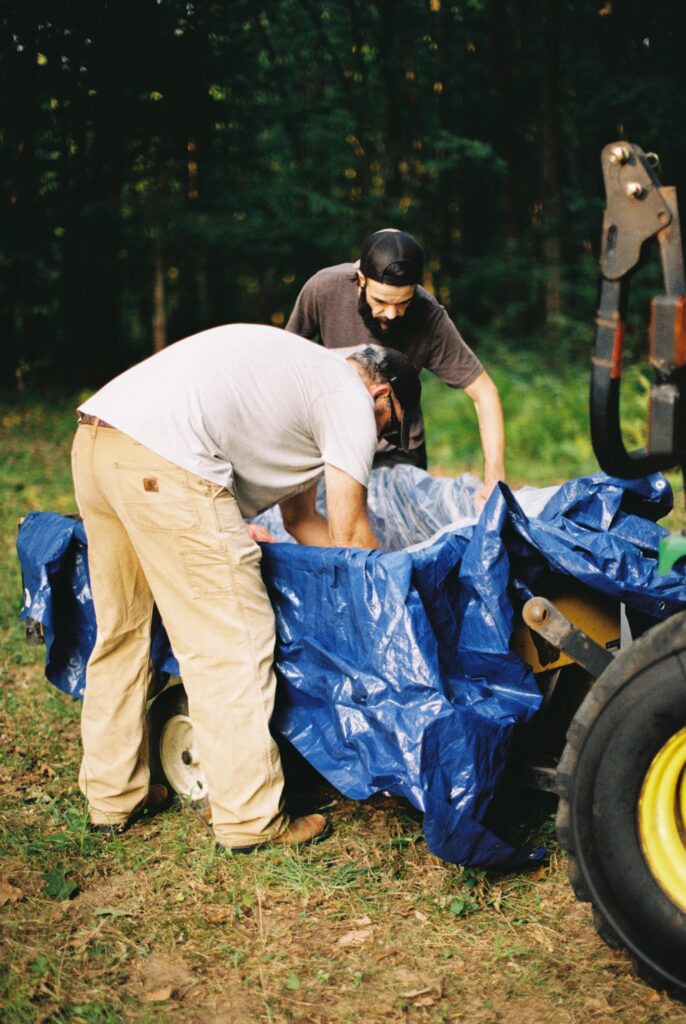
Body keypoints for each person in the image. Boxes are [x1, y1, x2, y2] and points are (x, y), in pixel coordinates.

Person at [71, 324, 420, 853]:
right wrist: (399, 599)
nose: (379, 441)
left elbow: (304, 521)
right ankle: (251, 820)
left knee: (124, 629)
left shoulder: (305, 381)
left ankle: (114, 797)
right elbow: (352, 534)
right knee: (230, 644)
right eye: (387, 428)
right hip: (166, 462)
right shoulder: (349, 396)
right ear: (380, 393)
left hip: (99, 440)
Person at [285, 228, 505, 508]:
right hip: (335, 443)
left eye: (403, 303)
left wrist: (494, 480)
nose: (391, 313)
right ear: (361, 279)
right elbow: (287, 362)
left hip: (397, 450)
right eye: (381, 301)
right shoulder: (324, 288)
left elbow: (484, 392)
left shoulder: (429, 317)